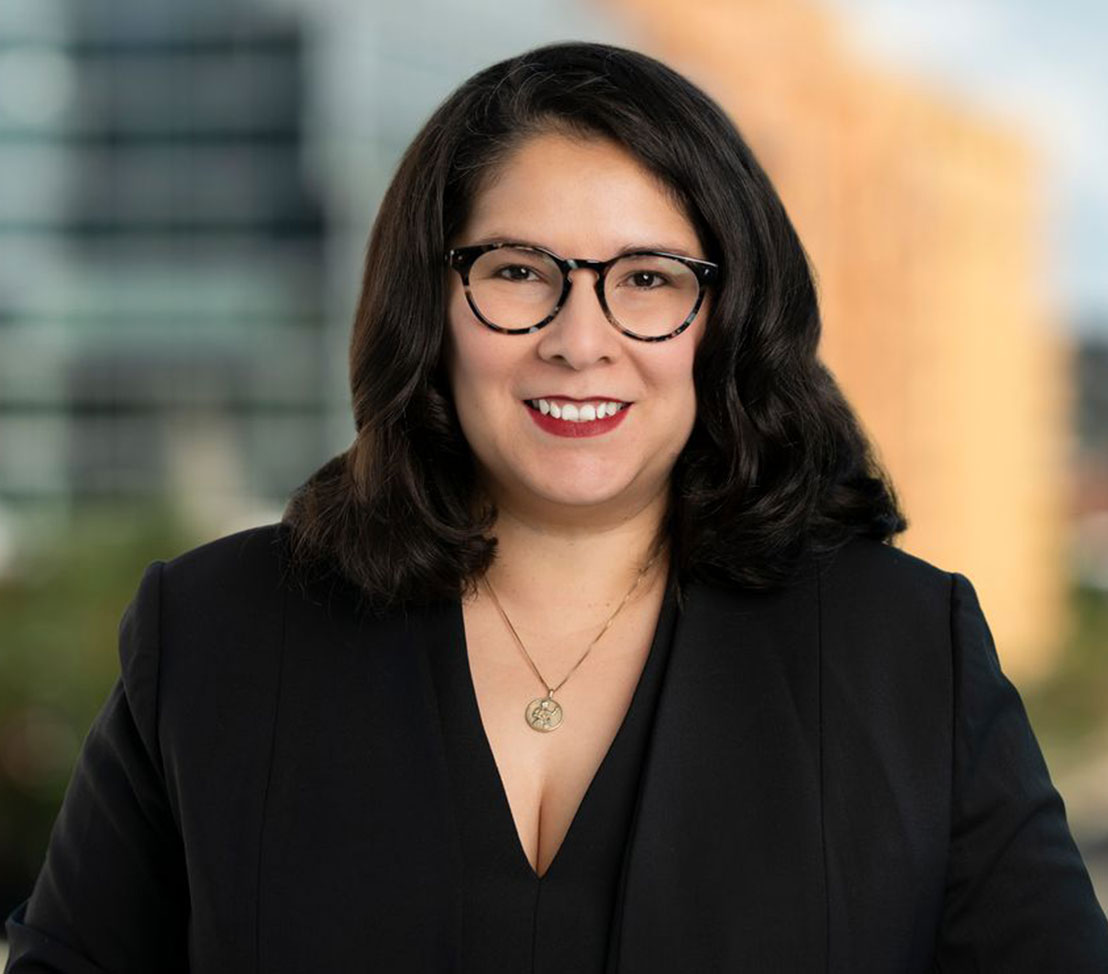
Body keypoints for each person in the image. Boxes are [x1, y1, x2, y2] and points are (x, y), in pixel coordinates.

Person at [5, 39, 1108, 974]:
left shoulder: (904, 649)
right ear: (428, 303)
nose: (581, 341)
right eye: (519, 271)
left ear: (726, 318)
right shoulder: (216, 631)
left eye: (648, 279)